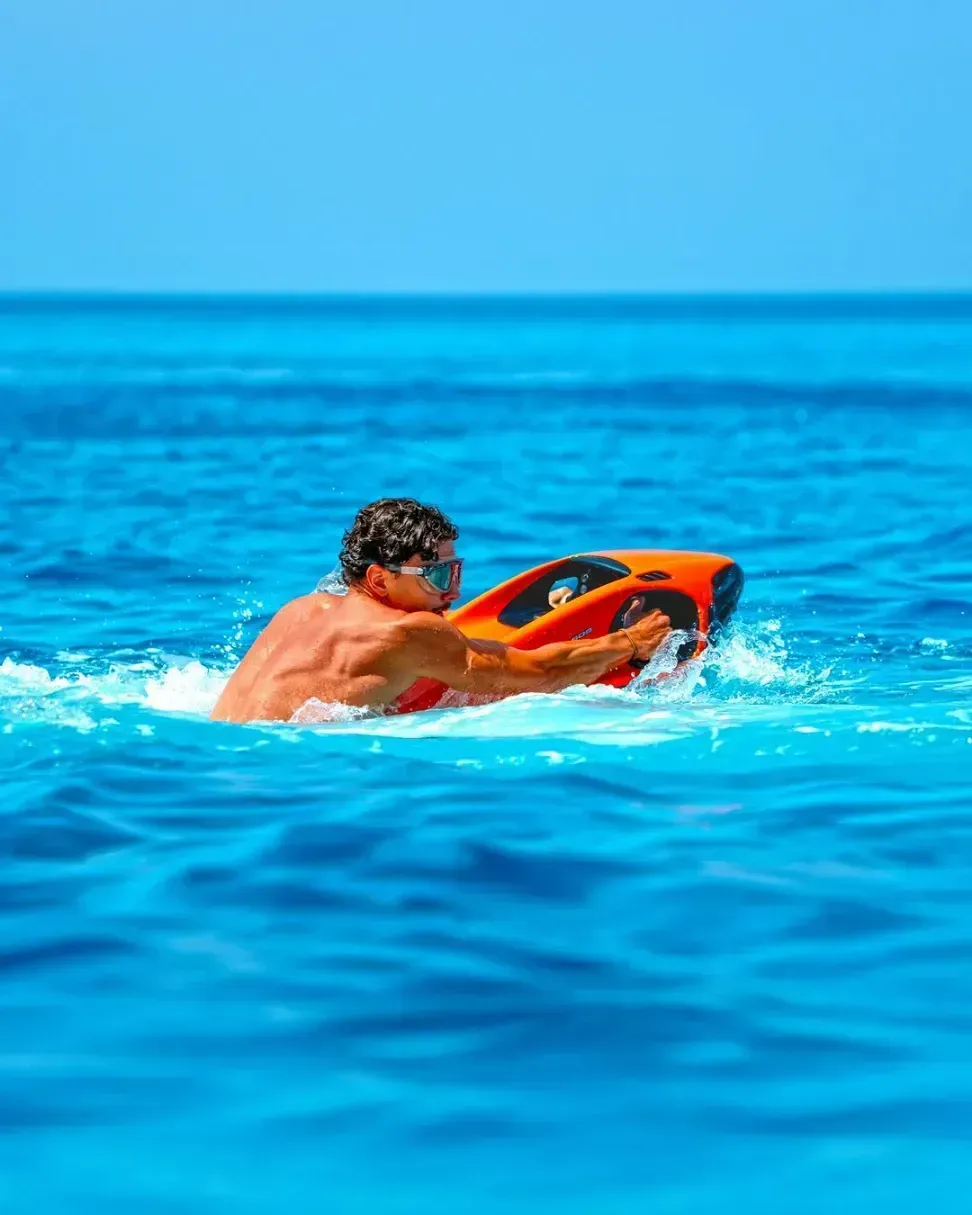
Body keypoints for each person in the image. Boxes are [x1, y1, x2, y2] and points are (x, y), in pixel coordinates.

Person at [210, 498, 671, 724]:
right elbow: (532, 673)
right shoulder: (408, 633)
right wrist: (628, 643)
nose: (451, 592)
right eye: (434, 576)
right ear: (377, 579)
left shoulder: (302, 608)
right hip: (287, 771)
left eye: (455, 572)